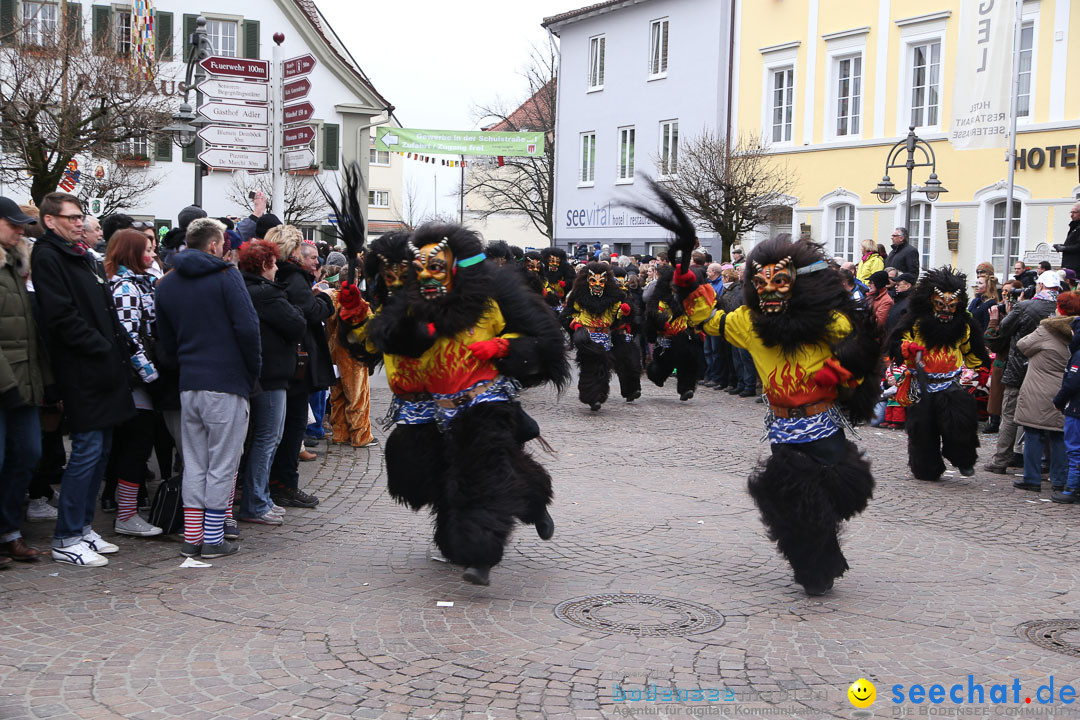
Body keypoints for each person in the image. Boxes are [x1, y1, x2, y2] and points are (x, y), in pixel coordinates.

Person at [631, 181, 880, 596]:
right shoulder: (748, 322)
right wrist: (688, 284)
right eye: (760, 285)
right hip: (784, 432)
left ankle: (824, 552)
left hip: (823, 427)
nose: (768, 292)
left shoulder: (828, 323)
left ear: (797, 285)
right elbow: (710, 321)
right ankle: (814, 566)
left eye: (779, 283)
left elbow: (863, 351)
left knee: (834, 498)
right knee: (794, 504)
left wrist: (840, 374)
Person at [339, 222, 570, 586]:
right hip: (426, 406)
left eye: (433, 267)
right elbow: (379, 344)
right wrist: (356, 317)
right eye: (394, 272)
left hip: (481, 400)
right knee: (423, 479)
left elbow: (536, 335)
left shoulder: (488, 298)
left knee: (479, 473)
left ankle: (480, 548)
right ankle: (477, 528)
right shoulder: (409, 305)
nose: (404, 277)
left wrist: (504, 346)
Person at [32, 192, 135, 567]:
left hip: (104, 369)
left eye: (81, 217)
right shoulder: (48, 256)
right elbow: (60, 318)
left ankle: (83, 527)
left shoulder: (82, 256)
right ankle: (66, 536)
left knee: (102, 451)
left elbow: (104, 310)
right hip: (82, 371)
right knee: (87, 452)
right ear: (50, 220)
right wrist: (102, 347)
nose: (79, 223)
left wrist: (117, 347)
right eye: (72, 217)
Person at [156, 218, 261, 559]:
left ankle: (193, 536)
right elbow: (248, 328)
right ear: (215, 245)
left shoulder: (166, 284)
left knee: (195, 463)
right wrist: (250, 374)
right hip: (226, 381)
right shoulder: (226, 276)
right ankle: (213, 539)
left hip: (190, 383)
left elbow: (166, 342)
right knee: (223, 463)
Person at [888, 268, 990, 482]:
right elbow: (896, 344)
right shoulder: (914, 321)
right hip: (920, 384)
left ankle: (963, 458)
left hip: (950, 383)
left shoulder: (964, 324)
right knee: (923, 430)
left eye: (951, 306)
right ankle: (927, 467)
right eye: (940, 305)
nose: (946, 311)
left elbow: (973, 349)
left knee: (960, 424)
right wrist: (908, 348)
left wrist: (981, 368)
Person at [236, 239, 306, 524]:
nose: (277, 268)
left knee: (261, 438)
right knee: (267, 438)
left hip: (260, 372)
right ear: (265, 265)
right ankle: (256, 502)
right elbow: (297, 323)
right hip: (272, 374)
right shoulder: (266, 294)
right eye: (274, 263)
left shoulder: (243, 288)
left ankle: (259, 497)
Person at [104, 229, 164, 538]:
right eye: (147, 249)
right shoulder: (126, 288)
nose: (153, 254)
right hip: (135, 383)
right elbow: (130, 340)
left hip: (139, 381)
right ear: (131, 253)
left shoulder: (137, 283)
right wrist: (151, 375)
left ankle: (127, 511)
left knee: (137, 446)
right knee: (135, 445)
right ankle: (126, 514)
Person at [268, 228, 334, 507]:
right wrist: (325, 299)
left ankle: (277, 484)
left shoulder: (278, 275)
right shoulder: (293, 277)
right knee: (292, 426)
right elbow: (308, 313)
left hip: (286, 362)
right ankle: (284, 485)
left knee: (281, 428)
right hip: (296, 363)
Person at [0, 197, 47, 564]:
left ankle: (10, 530)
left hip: (24, 381)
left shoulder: (19, 266)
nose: (20, 230)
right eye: (13, 224)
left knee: (28, 454)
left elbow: (30, 331)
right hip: (6, 385)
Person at [983, 271, 1060, 473]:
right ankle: (1046, 464)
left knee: (1010, 415)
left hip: (1019, 367)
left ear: (1041, 286)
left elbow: (1005, 330)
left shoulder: (1025, 306)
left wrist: (1012, 310)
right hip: (1050, 372)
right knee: (1048, 418)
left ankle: (1001, 460)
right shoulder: (1062, 309)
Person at [1013, 292, 1080, 491]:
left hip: (1038, 388)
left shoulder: (1047, 329)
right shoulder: (1075, 331)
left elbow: (1022, 345)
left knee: (1033, 433)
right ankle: (1059, 480)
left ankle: (1032, 478)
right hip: (1065, 389)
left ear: (1059, 308)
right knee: (1059, 436)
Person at [561, 262, 632, 411]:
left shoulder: (614, 297)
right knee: (588, 365)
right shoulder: (578, 296)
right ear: (587, 281)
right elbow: (568, 315)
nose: (597, 284)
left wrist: (624, 312)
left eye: (602, 281)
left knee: (603, 367)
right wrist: (576, 325)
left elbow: (617, 315)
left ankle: (599, 394)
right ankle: (590, 395)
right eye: (593, 281)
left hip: (604, 335)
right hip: (587, 336)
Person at [1053, 202, 1080, 275]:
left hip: (1076, 267)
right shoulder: (1074, 226)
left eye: (1074, 212)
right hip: (1069, 265)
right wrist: (1061, 246)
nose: (1071, 215)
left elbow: (1078, 246)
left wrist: (1064, 248)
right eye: (1071, 212)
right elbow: (1072, 244)